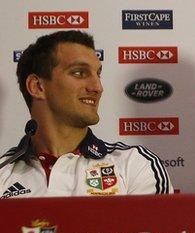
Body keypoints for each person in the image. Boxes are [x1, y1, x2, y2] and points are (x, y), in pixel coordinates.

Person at [0, 30, 172, 197]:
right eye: (79, 73)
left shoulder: (135, 164)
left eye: (98, 74)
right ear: (37, 87)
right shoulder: (3, 172)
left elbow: (151, 227)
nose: (97, 87)